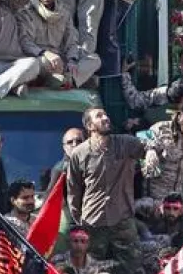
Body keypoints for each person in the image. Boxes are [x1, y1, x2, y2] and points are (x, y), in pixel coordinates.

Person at [66, 107, 152, 272]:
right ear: (90, 126)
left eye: (106, 114)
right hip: (94, 223)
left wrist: (152, 151)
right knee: (93, 268)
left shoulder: (125, 143)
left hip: (123, 221)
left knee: (132, 267)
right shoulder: (79, 154)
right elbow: (73, 190)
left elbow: (149, 142)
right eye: (99, 116)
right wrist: (80, 221)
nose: (105, 118)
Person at [17, 0, 100, 89]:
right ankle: (63, 80)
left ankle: (67, 79)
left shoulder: (64, 13)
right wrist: (45, 54)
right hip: (39, 58)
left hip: (60, 60)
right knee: (36, 64)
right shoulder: (27, 12)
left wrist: (71, 60)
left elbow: (71, 42)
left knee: (94, 59)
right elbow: (25, 42)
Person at [50, 225, 115, 274]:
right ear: (69, 243)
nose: (79, 245)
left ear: (88, 244)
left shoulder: (96, 263)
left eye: (83, 241)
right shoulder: (58, 260)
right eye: (75, 241)